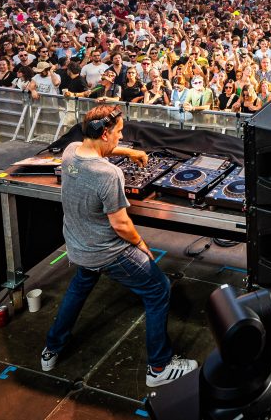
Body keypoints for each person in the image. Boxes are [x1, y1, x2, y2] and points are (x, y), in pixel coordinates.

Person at [40, 105, 197, 386]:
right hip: (108, 251)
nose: (120, 138)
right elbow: (121, 225)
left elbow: (100, 151)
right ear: (104, 134)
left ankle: (52, 348)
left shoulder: (71, 151)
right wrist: (143, 247)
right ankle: (159, 368)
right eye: (119, 133)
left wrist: (130, 152)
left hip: (78, 245)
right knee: (158, 288)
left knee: (81, 284)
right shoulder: (108, 175)